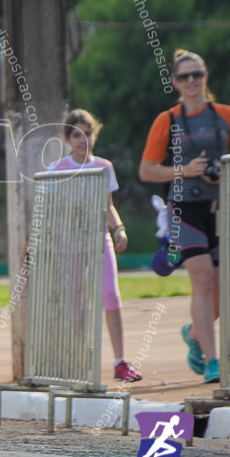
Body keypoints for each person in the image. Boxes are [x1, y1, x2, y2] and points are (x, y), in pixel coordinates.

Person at [139, 50, 230, 384]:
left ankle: (195, 333)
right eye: (184, 76)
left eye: (196, 75)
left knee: (223, 287)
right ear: (174, 82)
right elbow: (147, 170)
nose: (191, 82)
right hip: (185, 208)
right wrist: (183, 170)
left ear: (206, 76)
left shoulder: (227, 115)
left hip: (222, 207)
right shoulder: (167, 120)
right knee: (201, 280)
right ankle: (214, 361)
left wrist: (226, 177)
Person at [49, 109, 143, 383]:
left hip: (99, 239)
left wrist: (119, 228)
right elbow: (53, 210)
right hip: (71, 243)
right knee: (75, 302)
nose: (83, 140)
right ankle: (74, 361)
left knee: (111, 295)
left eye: (87, 133)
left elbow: (108, 207)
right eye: (76, 134)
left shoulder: (103, 166)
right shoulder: (57, 169)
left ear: (94, 135)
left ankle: (120, 362)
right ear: (67, 138)